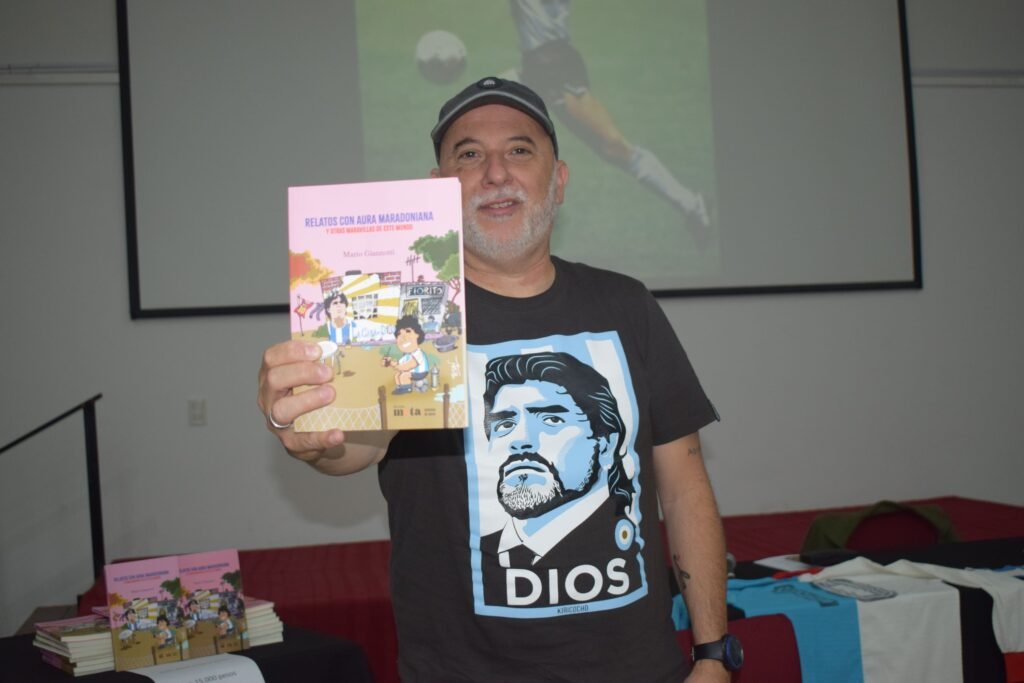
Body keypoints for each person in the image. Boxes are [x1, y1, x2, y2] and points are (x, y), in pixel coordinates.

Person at [258, 76, 732, 681]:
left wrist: (714, 653)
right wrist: (310, 430)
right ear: (437, 190)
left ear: (558, 180)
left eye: (519, 150)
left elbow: (685, 485)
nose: (496, 173)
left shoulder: (626, 305)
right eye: (469, 155)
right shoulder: (407, 316)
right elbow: (351, 448)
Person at [502, 0, 712, 248]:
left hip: (555, 67)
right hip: (537, 67)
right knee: (487, 126)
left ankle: (691, 204)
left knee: (614, 146)